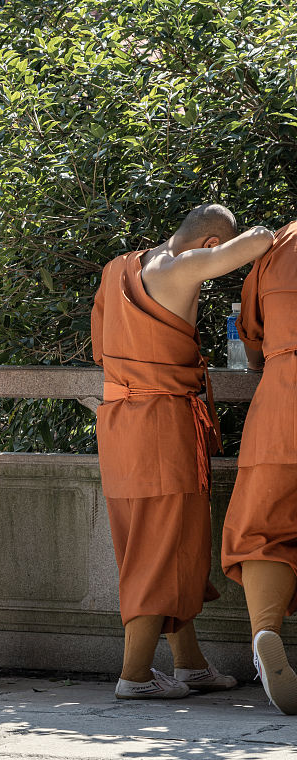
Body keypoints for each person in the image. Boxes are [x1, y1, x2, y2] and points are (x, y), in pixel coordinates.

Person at [91, 204, 273, 700]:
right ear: (211, 244)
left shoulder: (117, 268)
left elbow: (101, 349)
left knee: (165, 542)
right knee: (158, 548)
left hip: (119, 422)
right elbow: (258, 240)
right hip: (161, 426)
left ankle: (190, 665)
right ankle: (135, 675)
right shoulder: (179, 267)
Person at [221, 219, 297, 715]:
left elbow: (251, 337)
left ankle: (265, 630)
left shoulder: (281, 243)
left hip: (283, 398)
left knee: (264, 529)